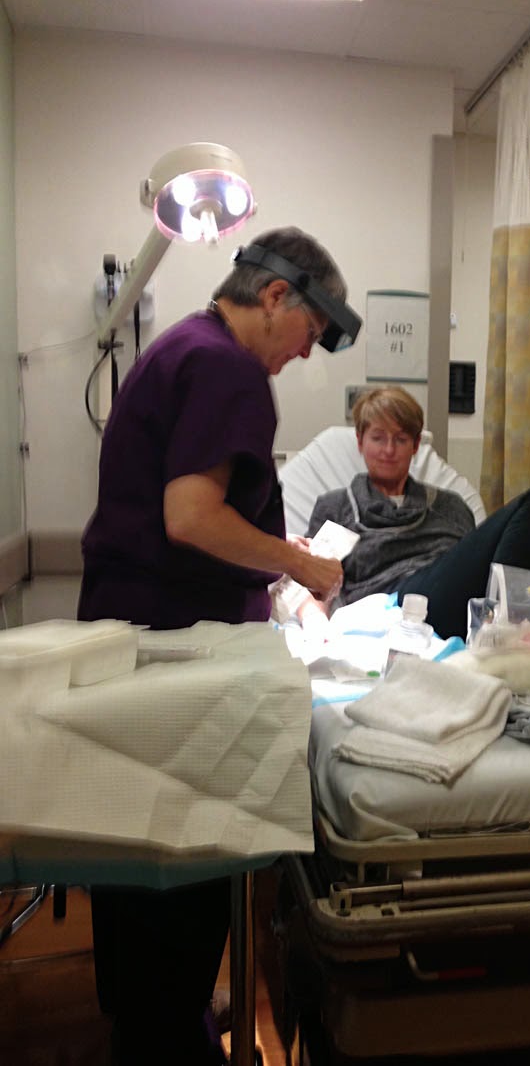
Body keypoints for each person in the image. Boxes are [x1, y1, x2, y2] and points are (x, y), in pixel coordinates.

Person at [78, 226, 359, 1066]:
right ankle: (173, 1037)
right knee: (183, 872)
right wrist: (299, 564)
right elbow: (192, 518)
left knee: (137, 865)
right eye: (309, 333)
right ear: (275, 296)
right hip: (177, 655)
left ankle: (152, 1025)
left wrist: (270, 562)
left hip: (137, 640)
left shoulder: (179, 348)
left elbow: (188, 513)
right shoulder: (229, 368)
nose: (302, 355)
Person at [306, 386, 530, 639]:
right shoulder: (337, 507)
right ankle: (504, 633)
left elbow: (472, 565)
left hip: (460, 595)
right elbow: (312, 582)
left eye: (401, 439)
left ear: (416, 445)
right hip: (400, 605)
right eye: (378, 438)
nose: (389, 450)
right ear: (360, 441)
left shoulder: (450, 505)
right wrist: (315, 624)